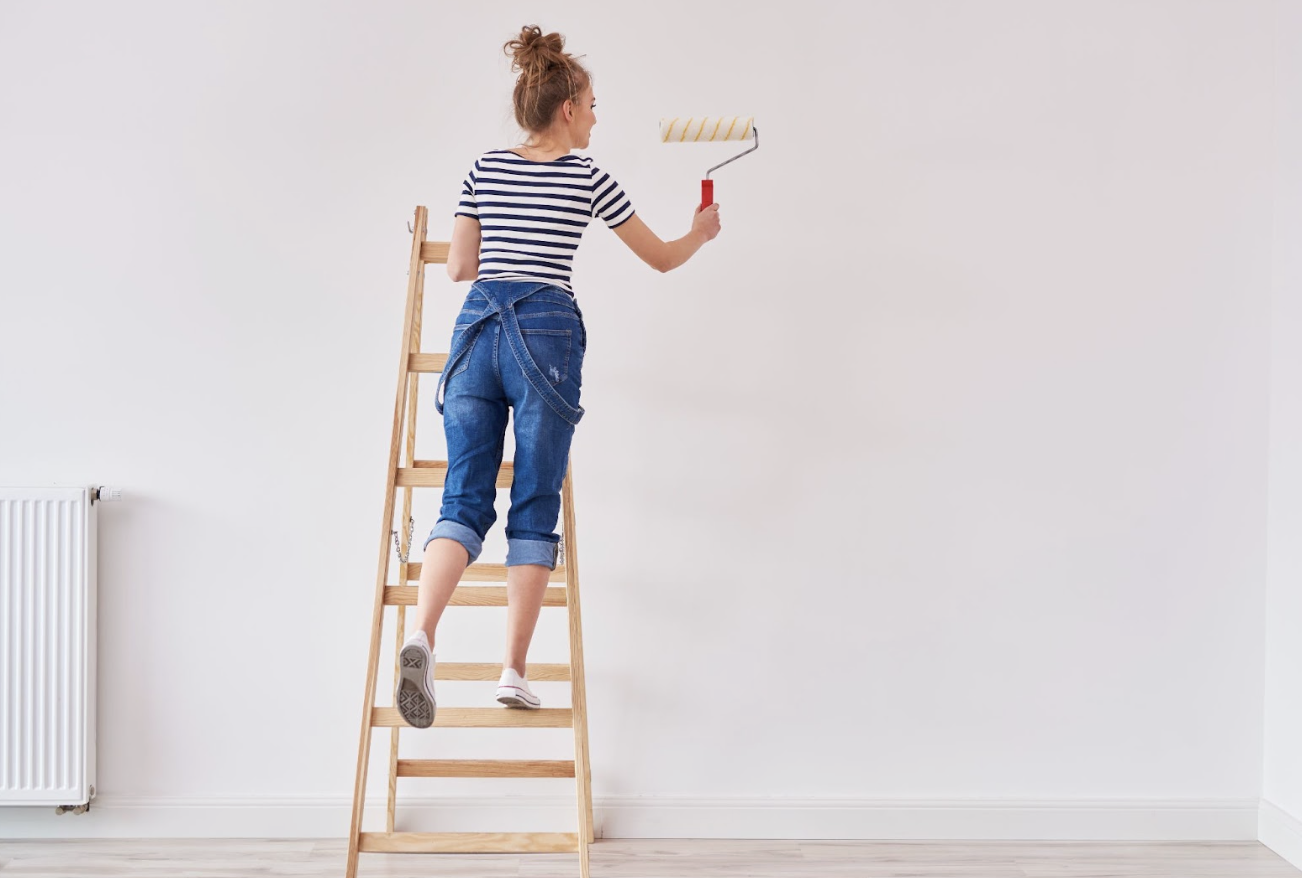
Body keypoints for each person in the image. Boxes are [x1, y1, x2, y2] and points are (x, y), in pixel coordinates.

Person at [394, 24, 722, 728]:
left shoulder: (483, 166)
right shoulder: (588, 176)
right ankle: (513, 670)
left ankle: (422, 633)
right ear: (567, 107)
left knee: (463, 497)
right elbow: (661, 258)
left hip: (475, 330)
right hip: (545, 330)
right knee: (535, 501)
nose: (598, 117)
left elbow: (456, 268)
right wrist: (701, 230)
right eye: (595, 105)